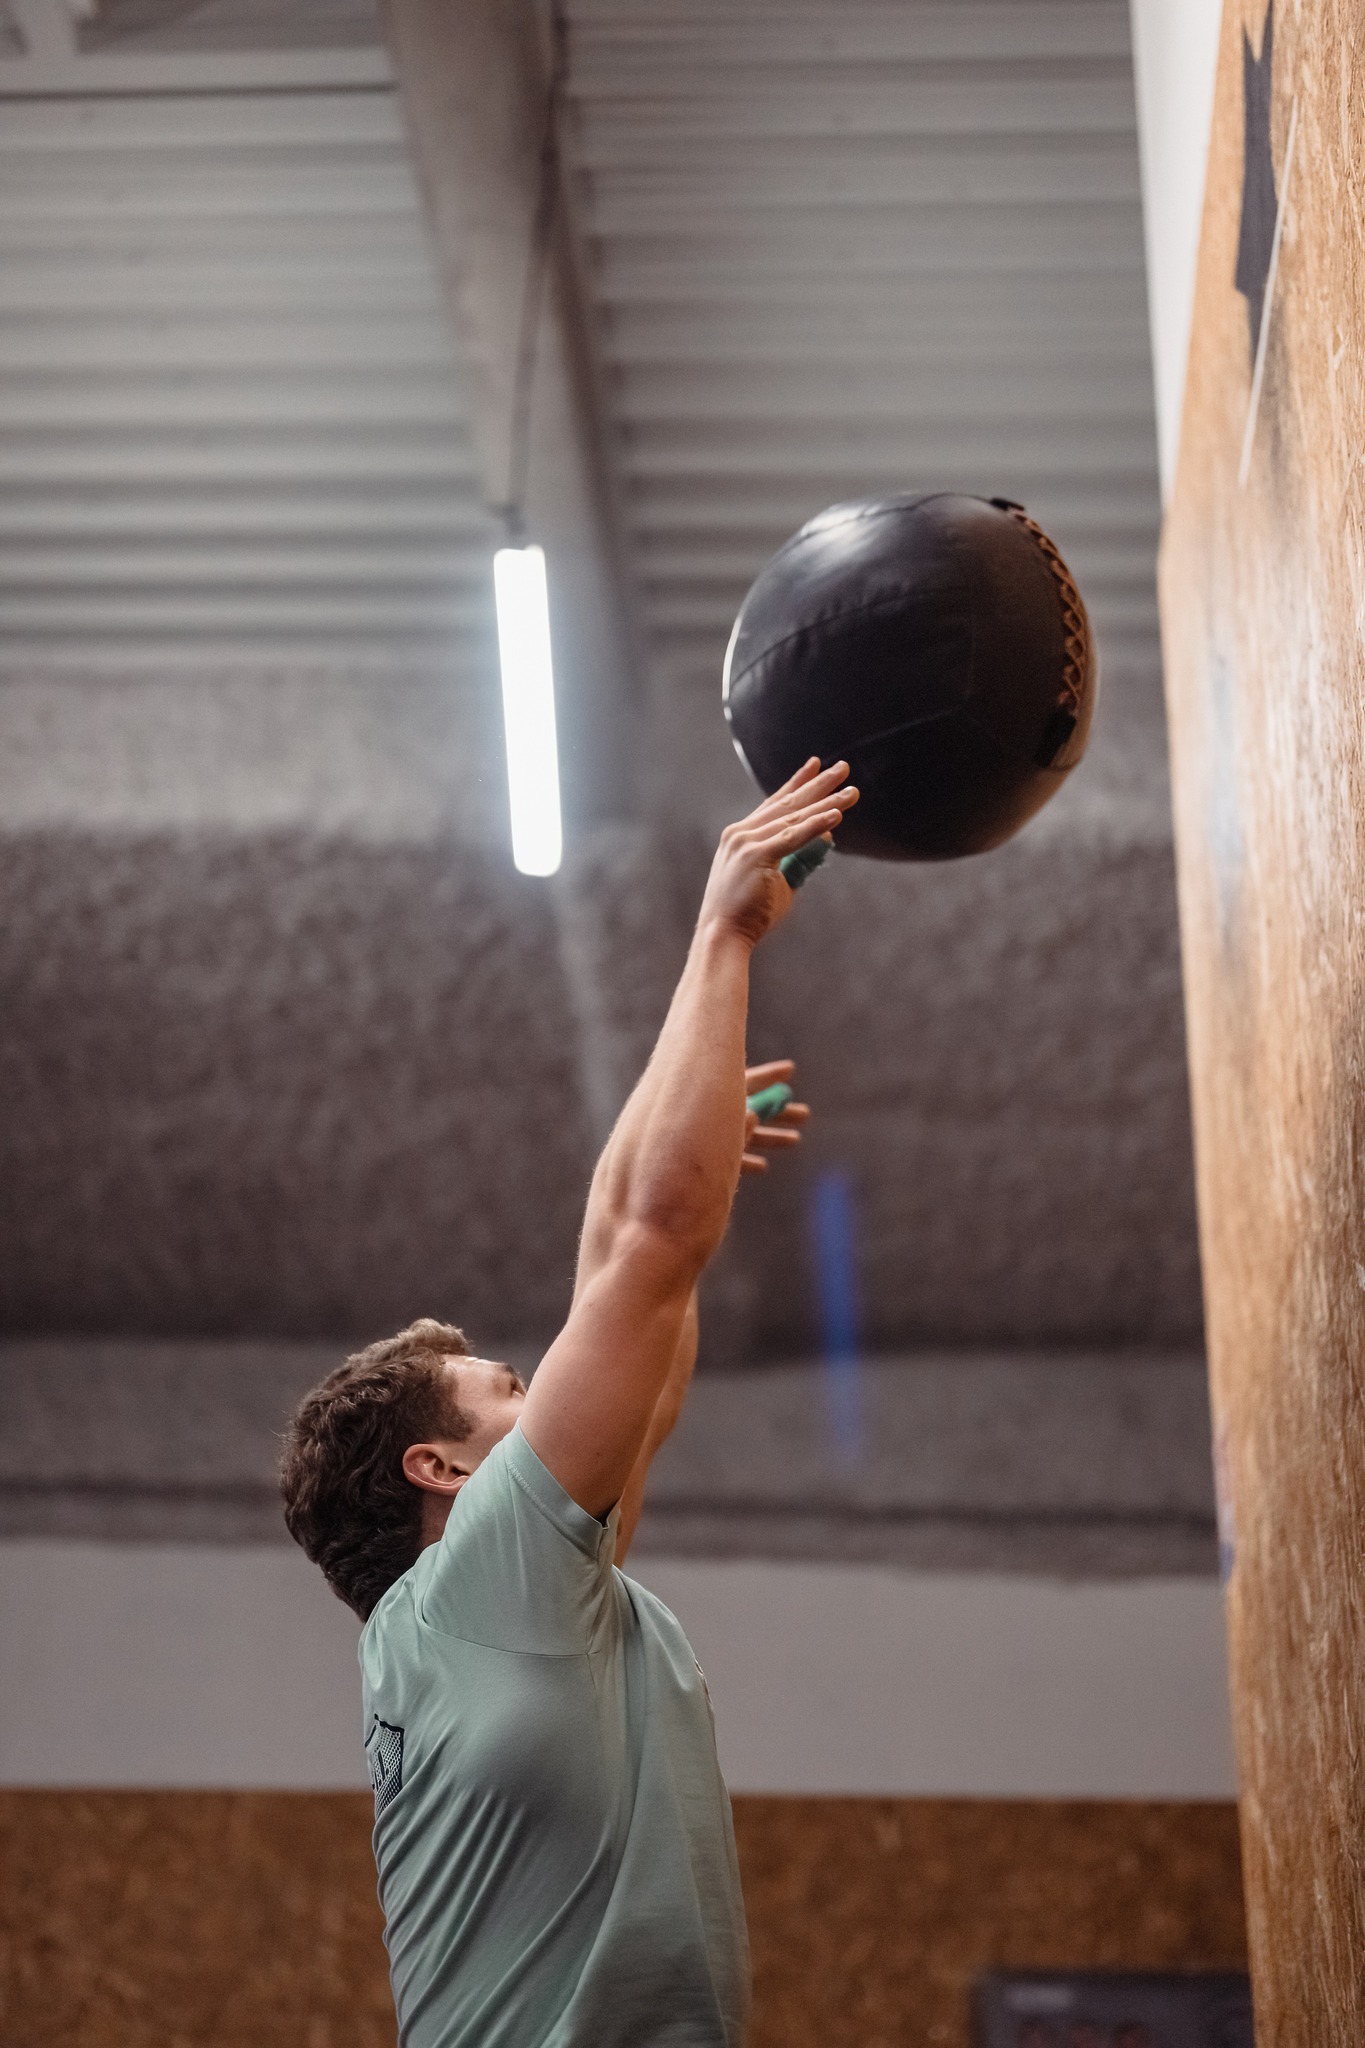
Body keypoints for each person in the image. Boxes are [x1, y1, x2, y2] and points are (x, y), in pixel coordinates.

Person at [280, 757, 859, 2048]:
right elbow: (652, 1238)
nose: (542, 1393)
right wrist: (720, 932)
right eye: (508, 1390)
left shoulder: (512, 1609)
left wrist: (693, 1115)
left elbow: (619, 1244)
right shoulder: (484, 1579)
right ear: (438, 1469)